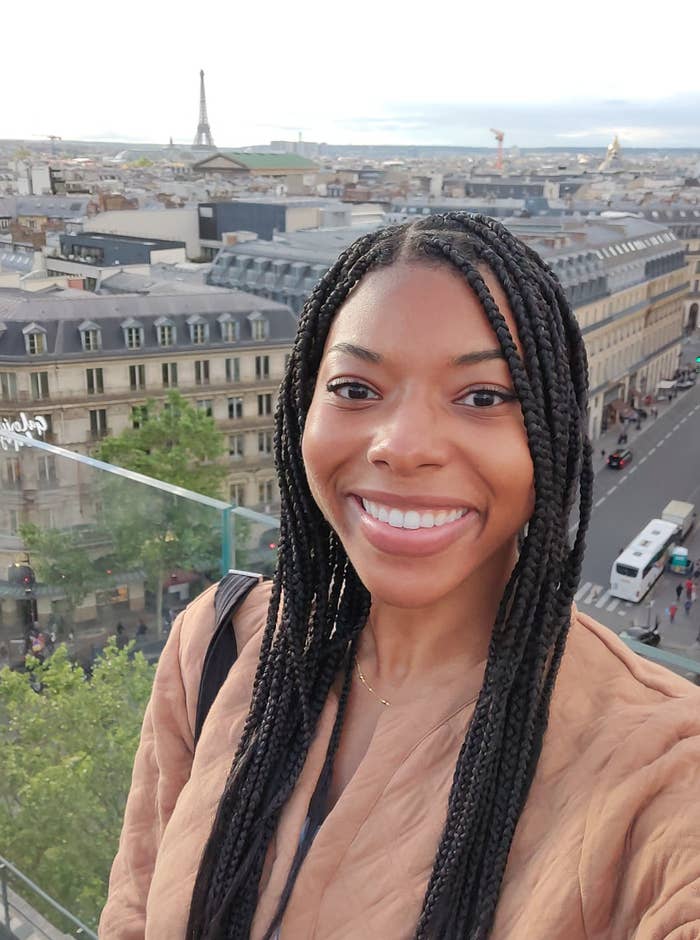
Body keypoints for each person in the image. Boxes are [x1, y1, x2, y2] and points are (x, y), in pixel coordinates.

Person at [101, 214, 700, 939]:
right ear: (302, 409)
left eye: (482, 396)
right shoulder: (216, 644)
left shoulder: (668, 770)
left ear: (551, 426)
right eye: (356, 388)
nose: (403, 447)